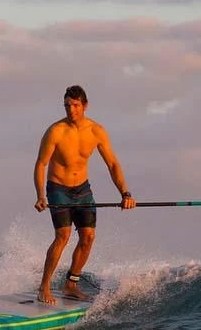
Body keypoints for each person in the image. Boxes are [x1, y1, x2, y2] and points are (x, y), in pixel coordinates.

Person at [33, 84, 136, 304]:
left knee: (88, 237)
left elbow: (112, 164)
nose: (71, 110)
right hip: (58, 188)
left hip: (82, 189)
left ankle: (71, 285)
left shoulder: (96, 131)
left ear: (85, 105)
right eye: (67, 106)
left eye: (75, 105)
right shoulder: (55, 131)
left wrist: (125, 193)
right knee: (63, 236)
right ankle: (44, 287)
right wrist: (40, 195)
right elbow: (41, 164)